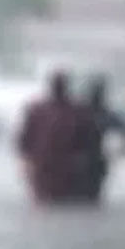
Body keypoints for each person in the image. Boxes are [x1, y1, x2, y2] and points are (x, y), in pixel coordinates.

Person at [16, 71, 95, 204]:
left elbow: (87, 138)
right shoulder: (39, 110)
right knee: (47, 200)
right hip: (45, 165)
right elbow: (24, 138)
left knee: (61, 201)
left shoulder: (76, 111)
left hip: (64, 166)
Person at [81, 75, 125, 202]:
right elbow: (124, 130)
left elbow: (124, 130)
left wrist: (124, 148)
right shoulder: (81, 113)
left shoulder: (99, 114)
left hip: (93, 161)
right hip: (87, 160)